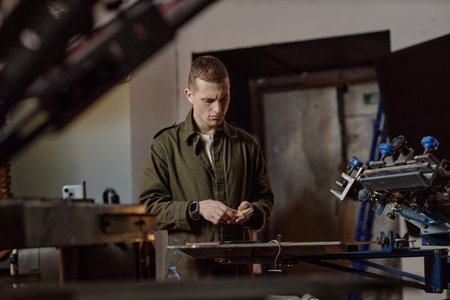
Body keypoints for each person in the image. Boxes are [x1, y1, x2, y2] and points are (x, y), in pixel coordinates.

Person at [139, 55, 274, 280]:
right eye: (209, 100)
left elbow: (265, 200)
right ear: (189, 96)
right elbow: (149, 209)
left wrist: (251, 210)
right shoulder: (165, 146)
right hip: (187, 278)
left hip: (237, 275)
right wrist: (195, 208)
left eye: (224, 98)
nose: (218, 109)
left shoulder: (247, 145)